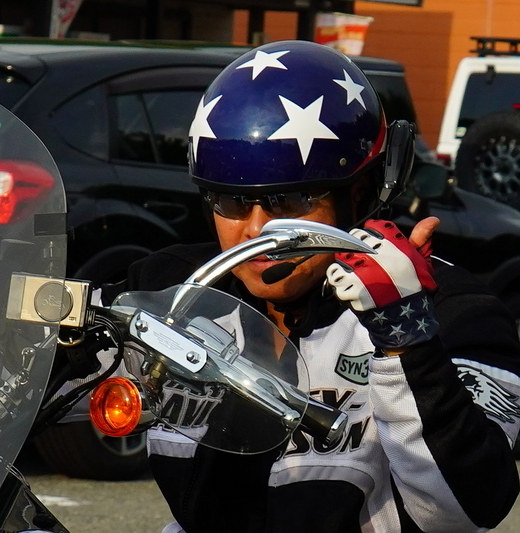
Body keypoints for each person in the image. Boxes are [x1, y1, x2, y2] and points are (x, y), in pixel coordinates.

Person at [101, 40, 520, 532]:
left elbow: (466, 510)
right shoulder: (174, 289)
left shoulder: (455, 311)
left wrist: (408, 342)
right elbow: (48, 371)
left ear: (359, 195)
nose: (256, 230)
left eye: (289, 200)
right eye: (230, 201)